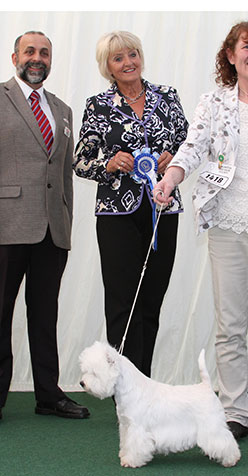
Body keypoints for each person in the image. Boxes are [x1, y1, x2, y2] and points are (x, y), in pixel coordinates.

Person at [153, 20, 248, 452]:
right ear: (231, 55)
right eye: (246, 46)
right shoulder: (214, 102)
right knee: (229, 327)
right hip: (228, 227)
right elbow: (193, 147)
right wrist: (171, 178)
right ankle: (234, 413)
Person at [73, 31, 188, 377]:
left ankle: (145, 384)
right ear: (107, 66)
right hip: (116, 215)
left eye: (133, 54)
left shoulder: (167, 97)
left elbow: (193, 144)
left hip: (162, 210)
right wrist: (108, 164)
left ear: (141, 57)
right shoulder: (97, 104)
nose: (128, 63)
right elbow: (80, 161)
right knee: (124, 303)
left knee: (151, 300)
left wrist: (175, 157)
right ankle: (123, 385)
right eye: (118, 58)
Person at [0, 31, 89, 421]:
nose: (37, 58)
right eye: (31, 51)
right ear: (15, 56)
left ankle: (49, 395)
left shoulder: (63, 110)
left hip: (52, 230)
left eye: (45, 53)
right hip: (7, 225)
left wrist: (66, 219)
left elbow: (63, 174)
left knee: (45, 314)